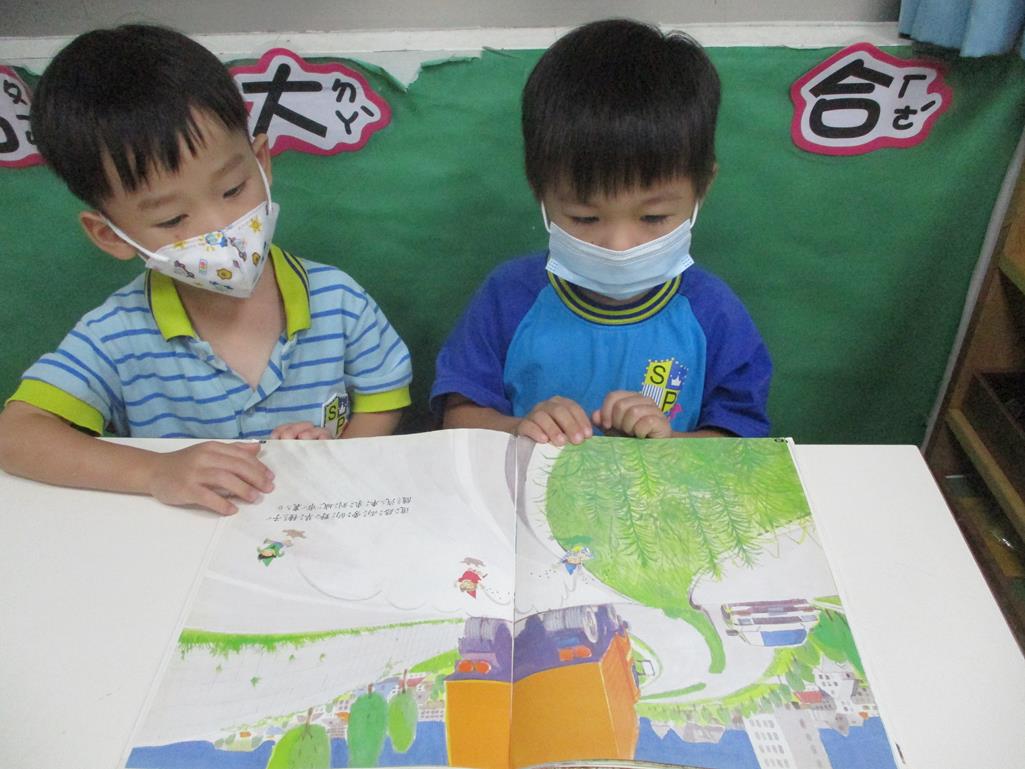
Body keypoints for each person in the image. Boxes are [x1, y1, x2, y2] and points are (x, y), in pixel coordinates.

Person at [0, 25, 412, 515]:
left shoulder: (337, 299)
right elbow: (16, 435)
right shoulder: (115, 334)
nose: (221, 229)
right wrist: (155, 471)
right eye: (173, 219)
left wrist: (338, 460)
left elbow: (383, 397)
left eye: (233, 189)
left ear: (261, 162)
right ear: (111, 235)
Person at [431, 19, 771, 445]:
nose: (619, 246)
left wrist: (668, 445)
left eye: (653, 218)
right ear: (539, 191)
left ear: (702, 188)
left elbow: (741, 442)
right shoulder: (507, 298)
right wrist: (519, 429)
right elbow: (458, 418)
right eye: (585, 218)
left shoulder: (714, 313)